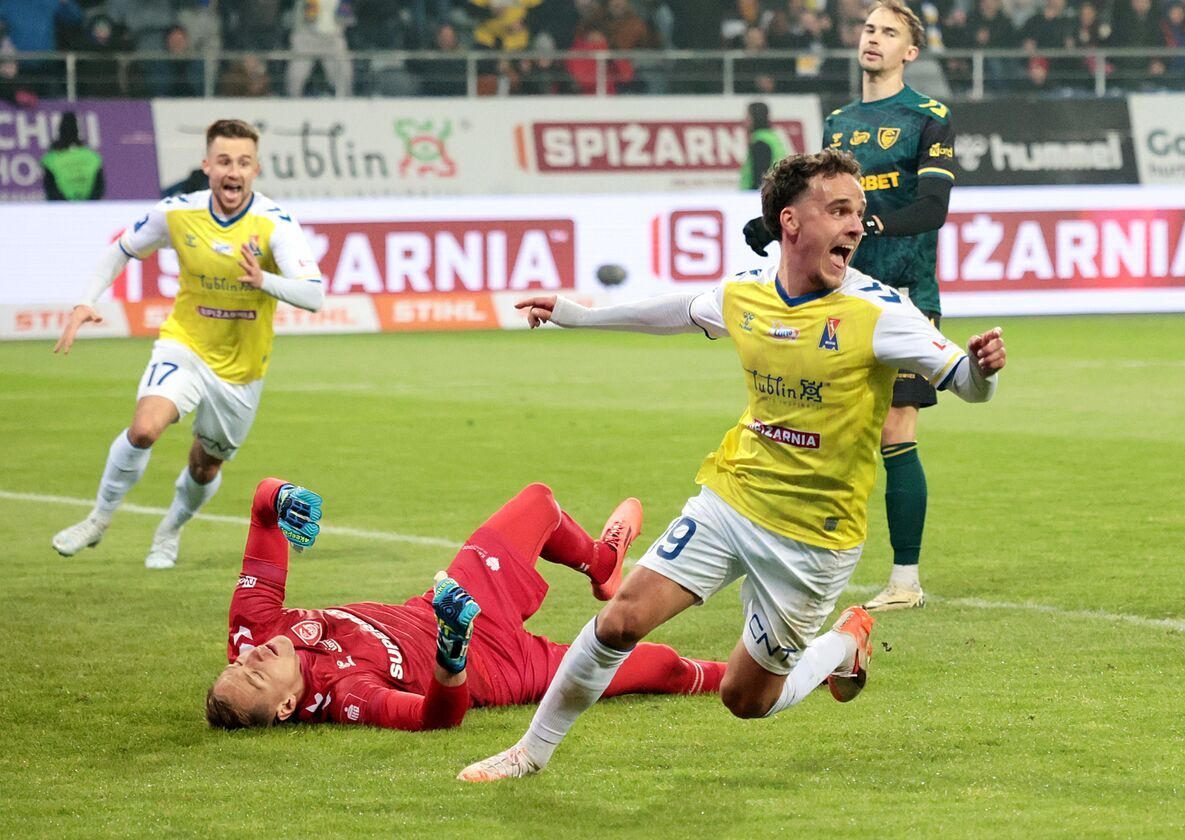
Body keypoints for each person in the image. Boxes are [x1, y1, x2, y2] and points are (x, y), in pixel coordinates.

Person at [456, 147, 1007, 781]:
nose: (857, 226)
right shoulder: (746, 294)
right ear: (791, 221)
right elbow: (677, 311)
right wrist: (579, 315)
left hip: (814, 539)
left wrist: (984, 371)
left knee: (745, 699)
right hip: (732, 498)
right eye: (839, 210)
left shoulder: (879, 311)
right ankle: (529, 753)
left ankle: (842, 644)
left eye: (858, 212)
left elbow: (965, 382)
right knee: (620, 618)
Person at [207, 477, 727, 730]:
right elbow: (436, 718)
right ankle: (766, 676)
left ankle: (601, 562)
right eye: (256, 676)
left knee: (539, 503)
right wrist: (452, 653)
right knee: (660, 666)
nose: (251, 657)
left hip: (447, 603)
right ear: (286, 707)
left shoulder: (254, 629)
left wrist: (281, 497)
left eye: (238, 663)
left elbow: (261, 509)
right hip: (500, 668)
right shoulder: (348, 697)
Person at [745, 0, 958, 613]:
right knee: (818, 428)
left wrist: (870, 222)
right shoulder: (838, 123)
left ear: (909, 52)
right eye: (869, 28)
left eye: (889, 32)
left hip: (905, 295)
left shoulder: (930, 117)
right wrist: (772, 225)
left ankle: (905, 580)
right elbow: (815, 202)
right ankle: (791, 557)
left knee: (896, 427)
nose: (874, 38)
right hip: (839, 296)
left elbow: (933, 208)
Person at [50, 119, 326, 570]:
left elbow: (314, 295)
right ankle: (98, 519)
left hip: (241, 369)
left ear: (256, 169)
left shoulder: (274, 224)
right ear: (207, 166)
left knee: (204, 467)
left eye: (243, 162)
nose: (233, 171)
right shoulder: (177, 212)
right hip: (185, 345)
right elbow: (122, 249)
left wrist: (264, 280)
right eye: (224, 161)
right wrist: (86, 300)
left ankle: (170, 530)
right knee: (144, 429)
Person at [42, 112, 104, 201]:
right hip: (88, 206)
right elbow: (99, 188)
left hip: (62, 207)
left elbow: (50, 189)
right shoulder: (93, 157)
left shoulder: (51, 158)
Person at [739, 101, 787, 191]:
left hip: (757, 195)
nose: (744, 121)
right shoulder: (771, 138)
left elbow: (760, 177)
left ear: (755, 118)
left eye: (747, 117)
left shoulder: (761, 143)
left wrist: (751, 194)